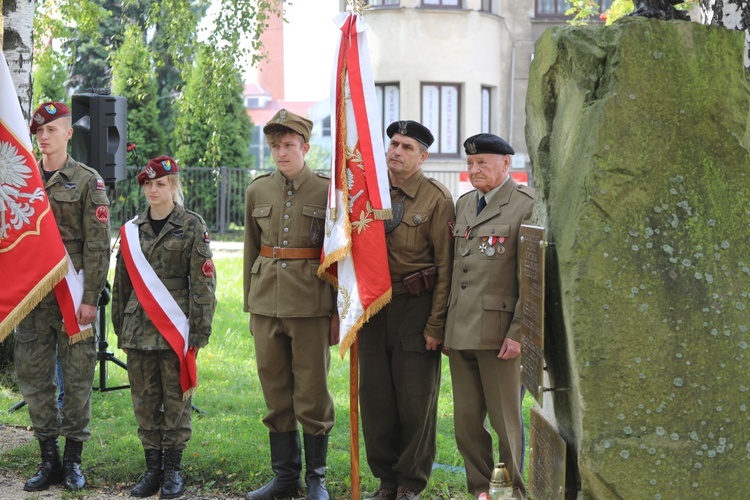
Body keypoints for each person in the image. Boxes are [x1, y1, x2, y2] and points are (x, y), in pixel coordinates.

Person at [15, 101, 111, 491]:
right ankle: (47, 460)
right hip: (33, 298)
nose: (43, 135)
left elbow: (98, 245)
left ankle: (72, 461)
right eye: (38, 130)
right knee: (35, 378)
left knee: (77, 379)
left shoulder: (88, 181)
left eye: (51, 129)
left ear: (69, 133)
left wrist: (90, 297)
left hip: (74, 297)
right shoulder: (21, 182)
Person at [243, 109, 337, 500]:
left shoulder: (328, 190)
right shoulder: (257, 189)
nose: (281, 153)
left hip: (311, 304)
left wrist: (335, 312)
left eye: (288, 145)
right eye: (275, 146)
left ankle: (316, 478)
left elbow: (337, 255)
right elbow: (251, 249)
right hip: (267, 302)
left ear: (305, 147)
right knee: (275, 391)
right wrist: (251, 305)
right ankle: (285, 478)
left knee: (312, 393)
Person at [112, 156, 217, 499]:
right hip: (138, 328)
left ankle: (173, 469)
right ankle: (152, 468)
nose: (153, 190)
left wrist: (199, 333)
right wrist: (120, 327)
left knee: (176, 401)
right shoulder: (131, 229)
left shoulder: (190, 224)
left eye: (161, 184)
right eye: (148, 184)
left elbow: (203, 285)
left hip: (176, 327)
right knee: (144, 401)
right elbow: (124, 283)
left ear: (174, 186)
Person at [360, 120, 455, 500]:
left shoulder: (436, 199)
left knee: (416, 400)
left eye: (406, 147)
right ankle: (385, 480)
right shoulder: (368, 192)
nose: (396, 151)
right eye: (393, 144)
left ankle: (409, 483)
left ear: (423, 156)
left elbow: (447, 267)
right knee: (376, 398)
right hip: (374, 308)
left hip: (416, 308)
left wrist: (437, 324)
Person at [444, 133, 535, 499]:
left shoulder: (524, 205)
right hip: (461, 329)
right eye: (470, 164)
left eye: (483, 163)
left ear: (505, 164)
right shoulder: (465, 204)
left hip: (500, 336)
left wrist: (519, 331)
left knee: (505, 423)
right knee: (466, 424)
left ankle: (511, 493)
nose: (474, 169)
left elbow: (531, 279)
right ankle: (482, 491)